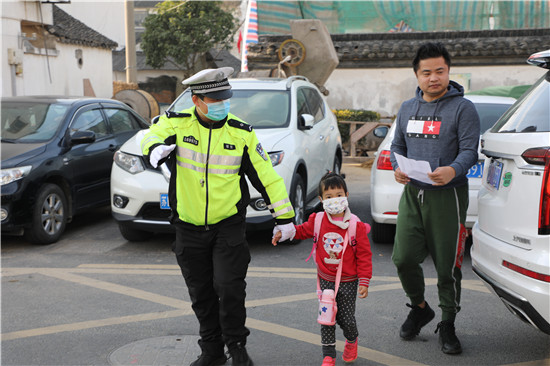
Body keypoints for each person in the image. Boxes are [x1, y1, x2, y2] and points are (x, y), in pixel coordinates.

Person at [141, 67, 296, 366]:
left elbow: (268, 177)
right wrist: (154, 149)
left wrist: (284, 217)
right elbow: (151, 137)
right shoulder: (177, 125)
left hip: (228, 226)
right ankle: (211, 352)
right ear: (196, 101)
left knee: (229, 287)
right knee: (201, 294)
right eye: (215, 99)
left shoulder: (242, 133)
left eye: (225, 98)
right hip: (188, 228)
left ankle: (236, 346)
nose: (223, 104)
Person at [389, 42, 480, 355]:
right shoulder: (406, 108)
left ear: (448, 72)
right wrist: (398, 167)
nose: (433, 78)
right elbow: (396, 147)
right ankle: (419, 307)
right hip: (413, 194)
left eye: (439, 71)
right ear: (416, 75)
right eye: (426, 72)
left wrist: (453, 170)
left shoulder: (462, 108)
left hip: (447, 196)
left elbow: (470, 151)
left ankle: (448, 323)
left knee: (447, 267)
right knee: (402, 258)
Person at [272, 172, 373, 366]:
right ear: (321, 199)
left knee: (346, 318)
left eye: (338, 195)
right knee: (327, 317)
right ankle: (328, 355)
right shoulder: (317, 220)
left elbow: (364, 256)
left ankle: (352, 340)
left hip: (348, 281)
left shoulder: (355, 226)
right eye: (329, 197)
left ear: (347, 195)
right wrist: (284, 233)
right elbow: (301, 231)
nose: (334, 200)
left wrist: (365, 281)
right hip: (325, 279)